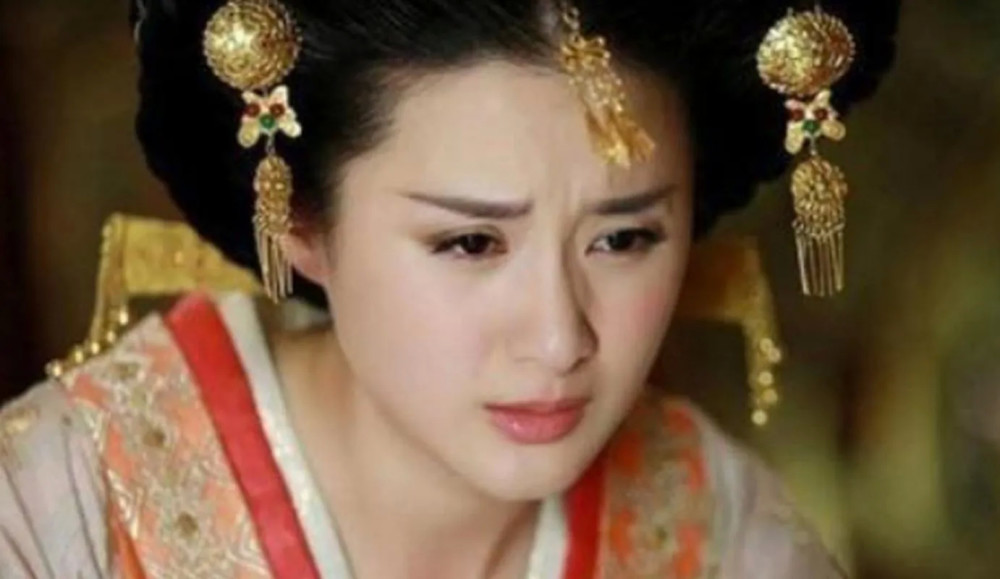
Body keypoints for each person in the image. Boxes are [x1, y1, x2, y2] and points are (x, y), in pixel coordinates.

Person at [0, 0, 899, 576]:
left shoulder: (718, 527)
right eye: (471, 241)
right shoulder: (60, 507)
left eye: (623, 238)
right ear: (300, 222)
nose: (559, 340)